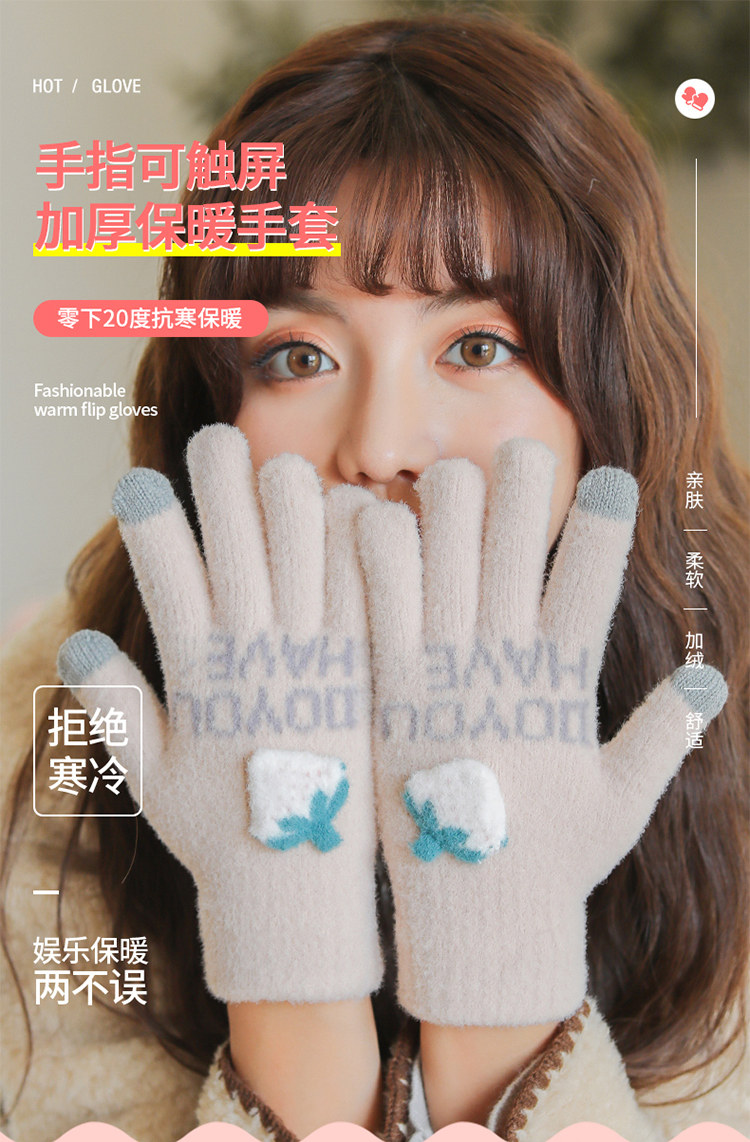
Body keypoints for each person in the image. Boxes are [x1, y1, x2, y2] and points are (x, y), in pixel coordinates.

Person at [2, 13, 748, 1142]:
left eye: (478, 346)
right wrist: (281, 940)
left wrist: (496, 950)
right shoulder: (53, 737)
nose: (383, 445)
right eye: (299, 356)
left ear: (610, 392)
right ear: (214, 409)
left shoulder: (727, 735)